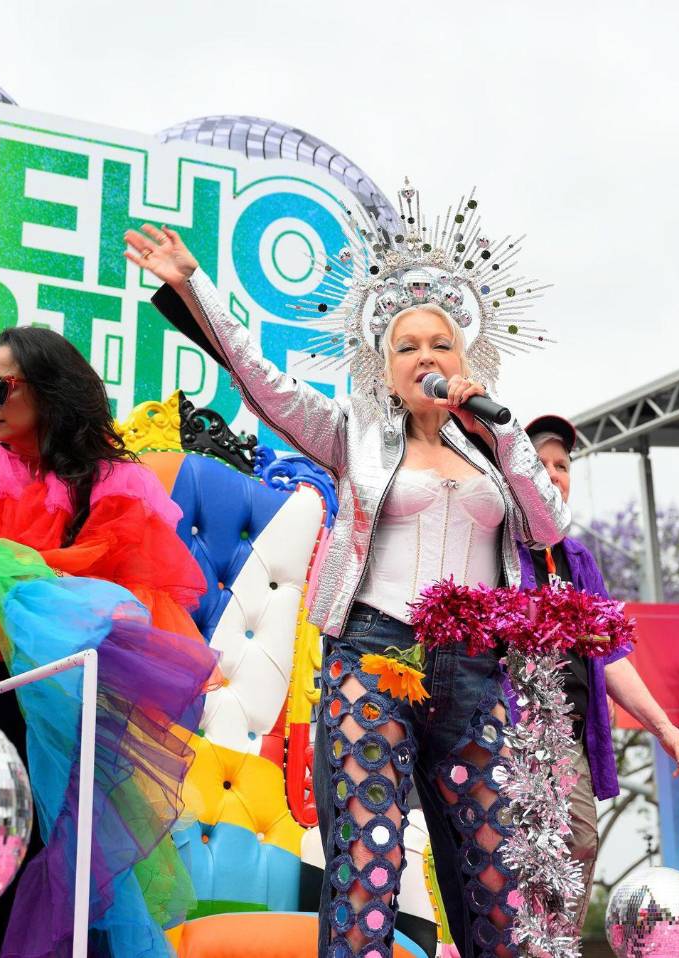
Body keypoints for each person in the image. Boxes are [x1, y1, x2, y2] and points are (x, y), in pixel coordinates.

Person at [126, 212, 570, 958]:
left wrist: (505, 434)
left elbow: (548, 527)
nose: (425, 356)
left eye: (440, 344)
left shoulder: (497, 447)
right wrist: (192, 284)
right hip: (373, 656)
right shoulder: (352, 433)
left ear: (466, 356)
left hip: (476, 671)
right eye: (407, 346)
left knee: (496, 872)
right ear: (383, 363)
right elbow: (261, 381)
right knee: (369, 862)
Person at [0, 327, 216, 956]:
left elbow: (125, 612)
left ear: (49, 390)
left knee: (32, 857)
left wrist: (26, 577)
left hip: (59, 701)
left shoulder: (110, 487)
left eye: (0, 387)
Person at [517, 414, 679, 930]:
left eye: (563, 466)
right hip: (504, 730)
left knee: (578, 841)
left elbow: (612, 655)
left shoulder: (578, 561)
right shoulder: (497, 544)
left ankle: (556, 946)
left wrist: (666, 731)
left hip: (568, 736)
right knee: (502, 856)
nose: (554, 475)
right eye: (541, 463)